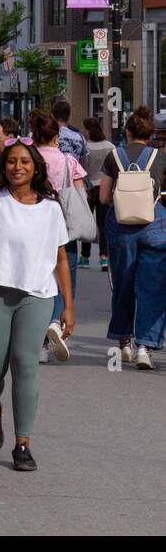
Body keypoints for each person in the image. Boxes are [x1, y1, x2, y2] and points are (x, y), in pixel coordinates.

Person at [0, 139, 74, 472]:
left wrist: (67, 306)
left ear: (36, 167)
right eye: (12, 162)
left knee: (26, 363)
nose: (18, 167)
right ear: (3, 165)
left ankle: (22, 443)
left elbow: (61, 259)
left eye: (25, 162)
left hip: (38, 296)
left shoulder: (52, 208)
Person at [99, 106, 166, 370]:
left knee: (123, 285)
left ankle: (124, 342)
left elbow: (104, 197)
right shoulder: (160, 158)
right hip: (155, 225)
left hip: (121, 228)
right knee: (153, 287)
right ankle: (145, 347)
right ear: (150, 135)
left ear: (126, 132)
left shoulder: (113, 157)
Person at [29, 109, 85, 363]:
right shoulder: (68, 161)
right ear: (56, 137)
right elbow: (80, 196)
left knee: (36, 279)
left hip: (31, 223)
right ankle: (55, 320)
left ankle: (39, 342)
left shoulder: (27, 158)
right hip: (62, 224)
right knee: (64, 275)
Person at [79, 117, 114, 271]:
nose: (82, 131)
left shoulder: (85, 147)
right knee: (103, 223)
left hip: (88, 188)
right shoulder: (110, 147)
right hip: (104, 187)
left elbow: (81, 167)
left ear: (88, 130)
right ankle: (104, 258)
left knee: (87, 222)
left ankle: (85, 257)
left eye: (84, 129)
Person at [52, 97, 90, 170]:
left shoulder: (45, 136)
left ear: (53, 116)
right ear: (69, 116)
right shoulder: (79, 137)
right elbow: (85, 163)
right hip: (74, 178)